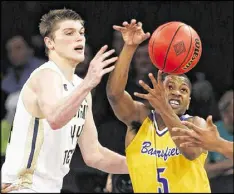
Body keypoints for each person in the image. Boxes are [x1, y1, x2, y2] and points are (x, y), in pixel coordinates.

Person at [1, 9, 128, 193]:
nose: (79, 38)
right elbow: (55, 119)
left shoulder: (79, 86)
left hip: (50, 188)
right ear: (50, 42)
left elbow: (95, 155)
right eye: (69, 33)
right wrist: (87, 84)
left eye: (81, 33)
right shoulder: (45, 75)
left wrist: (142, 165)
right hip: (21, 186)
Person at [106, 19, 211, 192]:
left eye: (183, 90)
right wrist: (129, 47)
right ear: (158, 89)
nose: (177, 92)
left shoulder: (197, 124)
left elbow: (191, 152)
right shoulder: (140, 120)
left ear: (189, 101)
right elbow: (114, 94)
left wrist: (164, 107)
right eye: (170, 87)